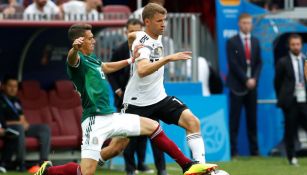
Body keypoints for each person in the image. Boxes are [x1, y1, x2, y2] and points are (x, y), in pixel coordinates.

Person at [34, 23, 217, 175]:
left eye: (92, 37)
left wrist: (130, 60)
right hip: (93, 122)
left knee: (153, 126)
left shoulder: (93, 60)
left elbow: (106, 66)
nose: (94, 40)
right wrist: (73, 49)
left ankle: (188, 166)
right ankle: (49, 171)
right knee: (86, 172)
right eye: (90, 38)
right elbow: (71, 59)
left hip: (110, 116)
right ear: (80, 41)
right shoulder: (77, 61)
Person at [123, 3, 207, 164]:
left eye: (164, 20)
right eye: (159, 21)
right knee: (118, 147)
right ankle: (87, 166)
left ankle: (201, 168)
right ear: (147, 22)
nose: (163, 24)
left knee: (192, 121)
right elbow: (142, 70)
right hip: (137, 103)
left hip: (159, 98)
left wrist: (131, 38)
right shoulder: (142, 43)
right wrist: (167, 59)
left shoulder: (154, 35)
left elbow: (131, 35)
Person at [108, 19, 158, 175]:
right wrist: (117, 90)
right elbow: (111, 72)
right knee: (128, 135)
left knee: (144, 134)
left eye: (137, 30)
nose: (134, 33)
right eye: (131, 31)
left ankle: (141, 163)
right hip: (124, 98)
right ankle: (130, 168)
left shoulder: (149, 48)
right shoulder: (120, 50)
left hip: (144, 98)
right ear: (126, 32)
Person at [226, 13, 262, 157]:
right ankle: (233, 151)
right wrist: (246, 79)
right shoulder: (232, 42)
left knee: (252, 119)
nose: (247, 25)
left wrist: (254, 79)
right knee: (234, 119)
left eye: (249, 23)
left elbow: (259, 63)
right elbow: (233, 64)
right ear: (239, 24)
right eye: (244, 23)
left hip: (252, 86)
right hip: (237, 86)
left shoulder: (256, 41)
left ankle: (255, 151)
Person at [0, 75, 51, 172]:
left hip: (20, 127)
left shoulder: (16, 101)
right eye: (10, 86)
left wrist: (26, 123)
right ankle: (21, 162)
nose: (13, 89)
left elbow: (22, 117)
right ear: (3, 86)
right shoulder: (1, 100)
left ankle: (43, 161)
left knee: (44, 128)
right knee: (19, 127)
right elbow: (2, 122)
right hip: (8, 129)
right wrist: (19, 123)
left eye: (15, 86)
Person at [274, 34, 307, 166]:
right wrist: (283, 99)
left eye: (298, 44)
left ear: (301, 45)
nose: (295, 47)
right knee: (290, 130)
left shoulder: (305, 60)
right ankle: (291, 157)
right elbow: (277, 82)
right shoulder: (283, 62)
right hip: (290, 101)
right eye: (293, 44)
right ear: (289, 45)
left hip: (304, 99)